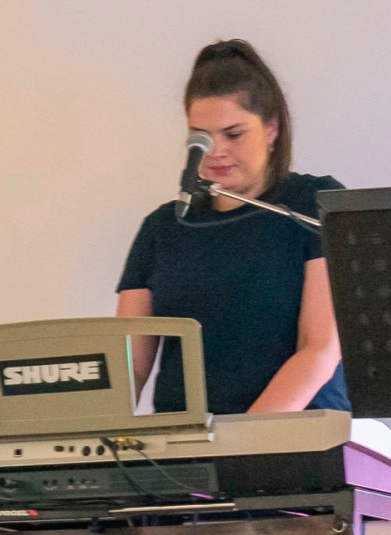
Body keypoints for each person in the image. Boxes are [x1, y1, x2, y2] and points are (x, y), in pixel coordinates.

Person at [117, 39, 347, 416]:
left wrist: (245, 438)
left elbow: (320, 348)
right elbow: (128, 368)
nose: (215, 151)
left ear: (271, 129)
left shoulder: (314, 203)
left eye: (233, 134)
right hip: (186, 443)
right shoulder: (162, 227)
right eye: (201, 137)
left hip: (294, 435)